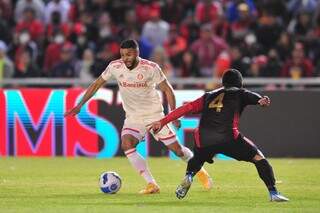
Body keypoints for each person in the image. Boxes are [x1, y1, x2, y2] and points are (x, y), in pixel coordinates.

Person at [64, 39, 212, 194]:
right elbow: (96, 84)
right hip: (133, 118)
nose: (125, 58)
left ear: (137, 53)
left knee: (178, 151)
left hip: (154, 116)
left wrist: (173, 114)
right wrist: (79, 105)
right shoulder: (115, 66)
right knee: (127, 144)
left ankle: (201, 171)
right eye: (122, 55)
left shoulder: (150, 68)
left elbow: (168, 90)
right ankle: (152, 184)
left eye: (128, 54)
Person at [148, 69, 289, 202]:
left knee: (198, 158)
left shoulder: (208, 96)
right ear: (239, 83)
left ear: (223, 83)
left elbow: (186, 108)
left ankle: (189, 175)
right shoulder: (241, 93)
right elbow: (254, 97)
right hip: (227, 137)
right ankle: (274, 193)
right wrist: (261, 100)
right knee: (258, 158)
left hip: (203, 138)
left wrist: (162, 121)